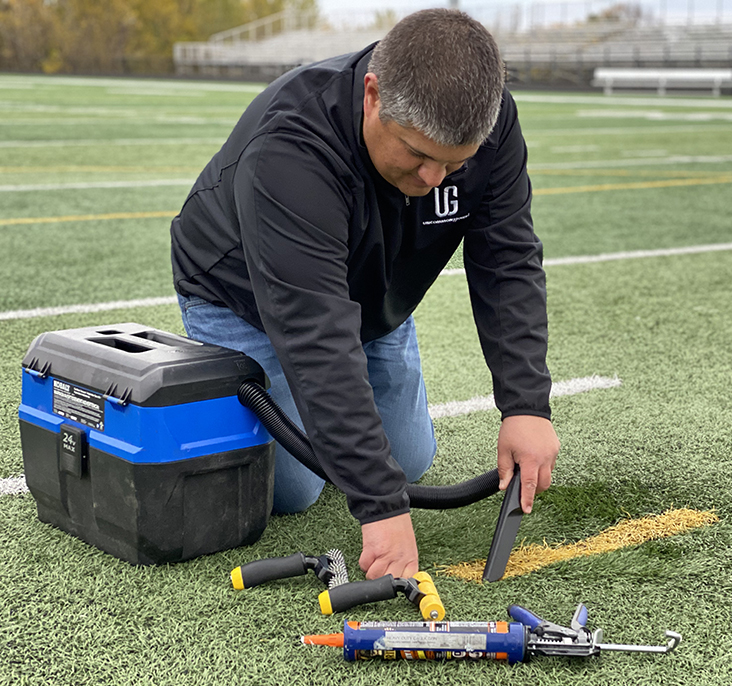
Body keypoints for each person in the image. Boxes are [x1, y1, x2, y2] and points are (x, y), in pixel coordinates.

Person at [170, 8, 558, 580]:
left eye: (455, 162)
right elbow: (315, 334)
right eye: (419, 154)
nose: (435, 180)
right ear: (372, 96)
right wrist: (380, 508)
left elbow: (507, 260)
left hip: (373, 288)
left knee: (408, 460)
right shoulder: (290, 150)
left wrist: (526, 404)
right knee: (296, 488)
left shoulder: (490, 120)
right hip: (242, 295)